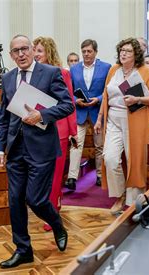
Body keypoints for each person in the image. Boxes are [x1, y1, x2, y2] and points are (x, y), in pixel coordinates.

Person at [0, 34, 73, 269]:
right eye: (16, 51)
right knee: (15, 200)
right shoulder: (8, 78)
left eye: (24, 49)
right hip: (15, 149)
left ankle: (57, 224)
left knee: (36, 199)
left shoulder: (49, 73)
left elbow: (67, 105)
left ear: (31, 49)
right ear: (11, 55)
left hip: (41, 147)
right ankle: (23, 249)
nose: (21, 54)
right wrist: (0, 148)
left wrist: (42, 115)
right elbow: (4, 116)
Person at [94, 38, 149, 214]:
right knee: (110, 158)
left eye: (128, 51)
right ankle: (120, 195)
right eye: (122, 50)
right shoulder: (114, 70)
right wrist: (99, 118)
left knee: (134, 159)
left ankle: (133, 201)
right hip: (113, 119)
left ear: (136, 54)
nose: (123, 53)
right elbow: (105, 95)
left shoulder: (144, 70)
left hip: (135, 118)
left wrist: (138, 99)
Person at [33, 36, 77, 231]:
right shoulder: (31, 73)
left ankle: (52, 210)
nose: (35, 54)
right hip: (37, 128)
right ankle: (48, 204)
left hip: (58, 129)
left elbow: (69, 104)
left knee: (56, 173)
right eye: (34, 51)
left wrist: (73, 131)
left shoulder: (62, 72)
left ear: (48, 52)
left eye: (39, 51)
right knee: (42, 173)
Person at [66, 39, 111, 190]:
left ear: (95, 52)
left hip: (97, 111)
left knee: (100, 145)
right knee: (76, 144)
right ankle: (72, 178)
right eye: (84, 51)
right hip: (79, 111)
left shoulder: (106, 68)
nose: (86, 54)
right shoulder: (74, 69)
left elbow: (108, 90)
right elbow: (68, 91)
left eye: (89, 51)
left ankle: (99, 175)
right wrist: (75, 100)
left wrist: (97, 99)